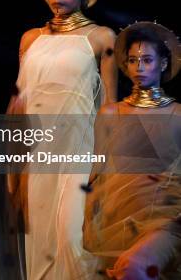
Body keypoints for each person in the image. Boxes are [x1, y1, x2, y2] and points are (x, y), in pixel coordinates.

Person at [5, 0, 117, 279]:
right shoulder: (31, 39)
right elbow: (19, 101)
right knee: (41, 242)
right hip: (39, 149)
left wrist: (105, 157)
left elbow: (111, 104)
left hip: (80, 148)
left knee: (72, 238)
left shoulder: (100, 37)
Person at [84, 21, 181, 279]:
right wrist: (87, 219)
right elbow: (96, 171)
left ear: (162, 64)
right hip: (115, 220)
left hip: (165, 219)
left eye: (147, 60)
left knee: (136, 268)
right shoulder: (110, 113)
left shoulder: (178, 113)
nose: (139, 67)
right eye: (132, 60)